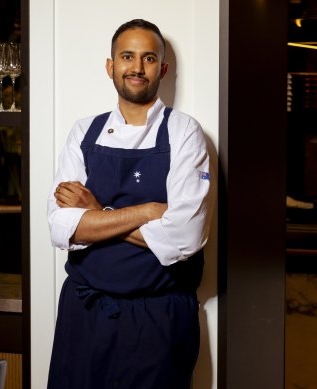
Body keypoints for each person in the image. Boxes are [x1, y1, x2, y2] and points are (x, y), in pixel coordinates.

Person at [46, 18, 211, 389]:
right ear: (111, 66)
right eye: (127, 56)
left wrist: (97, 213)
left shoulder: (184, 132)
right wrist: (151, 211)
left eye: (149, 58)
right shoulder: (83, 131)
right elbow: (61, 228)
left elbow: (185, 237)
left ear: (163, 70)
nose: (136, 68)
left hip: (159, 318)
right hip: (85, 313)